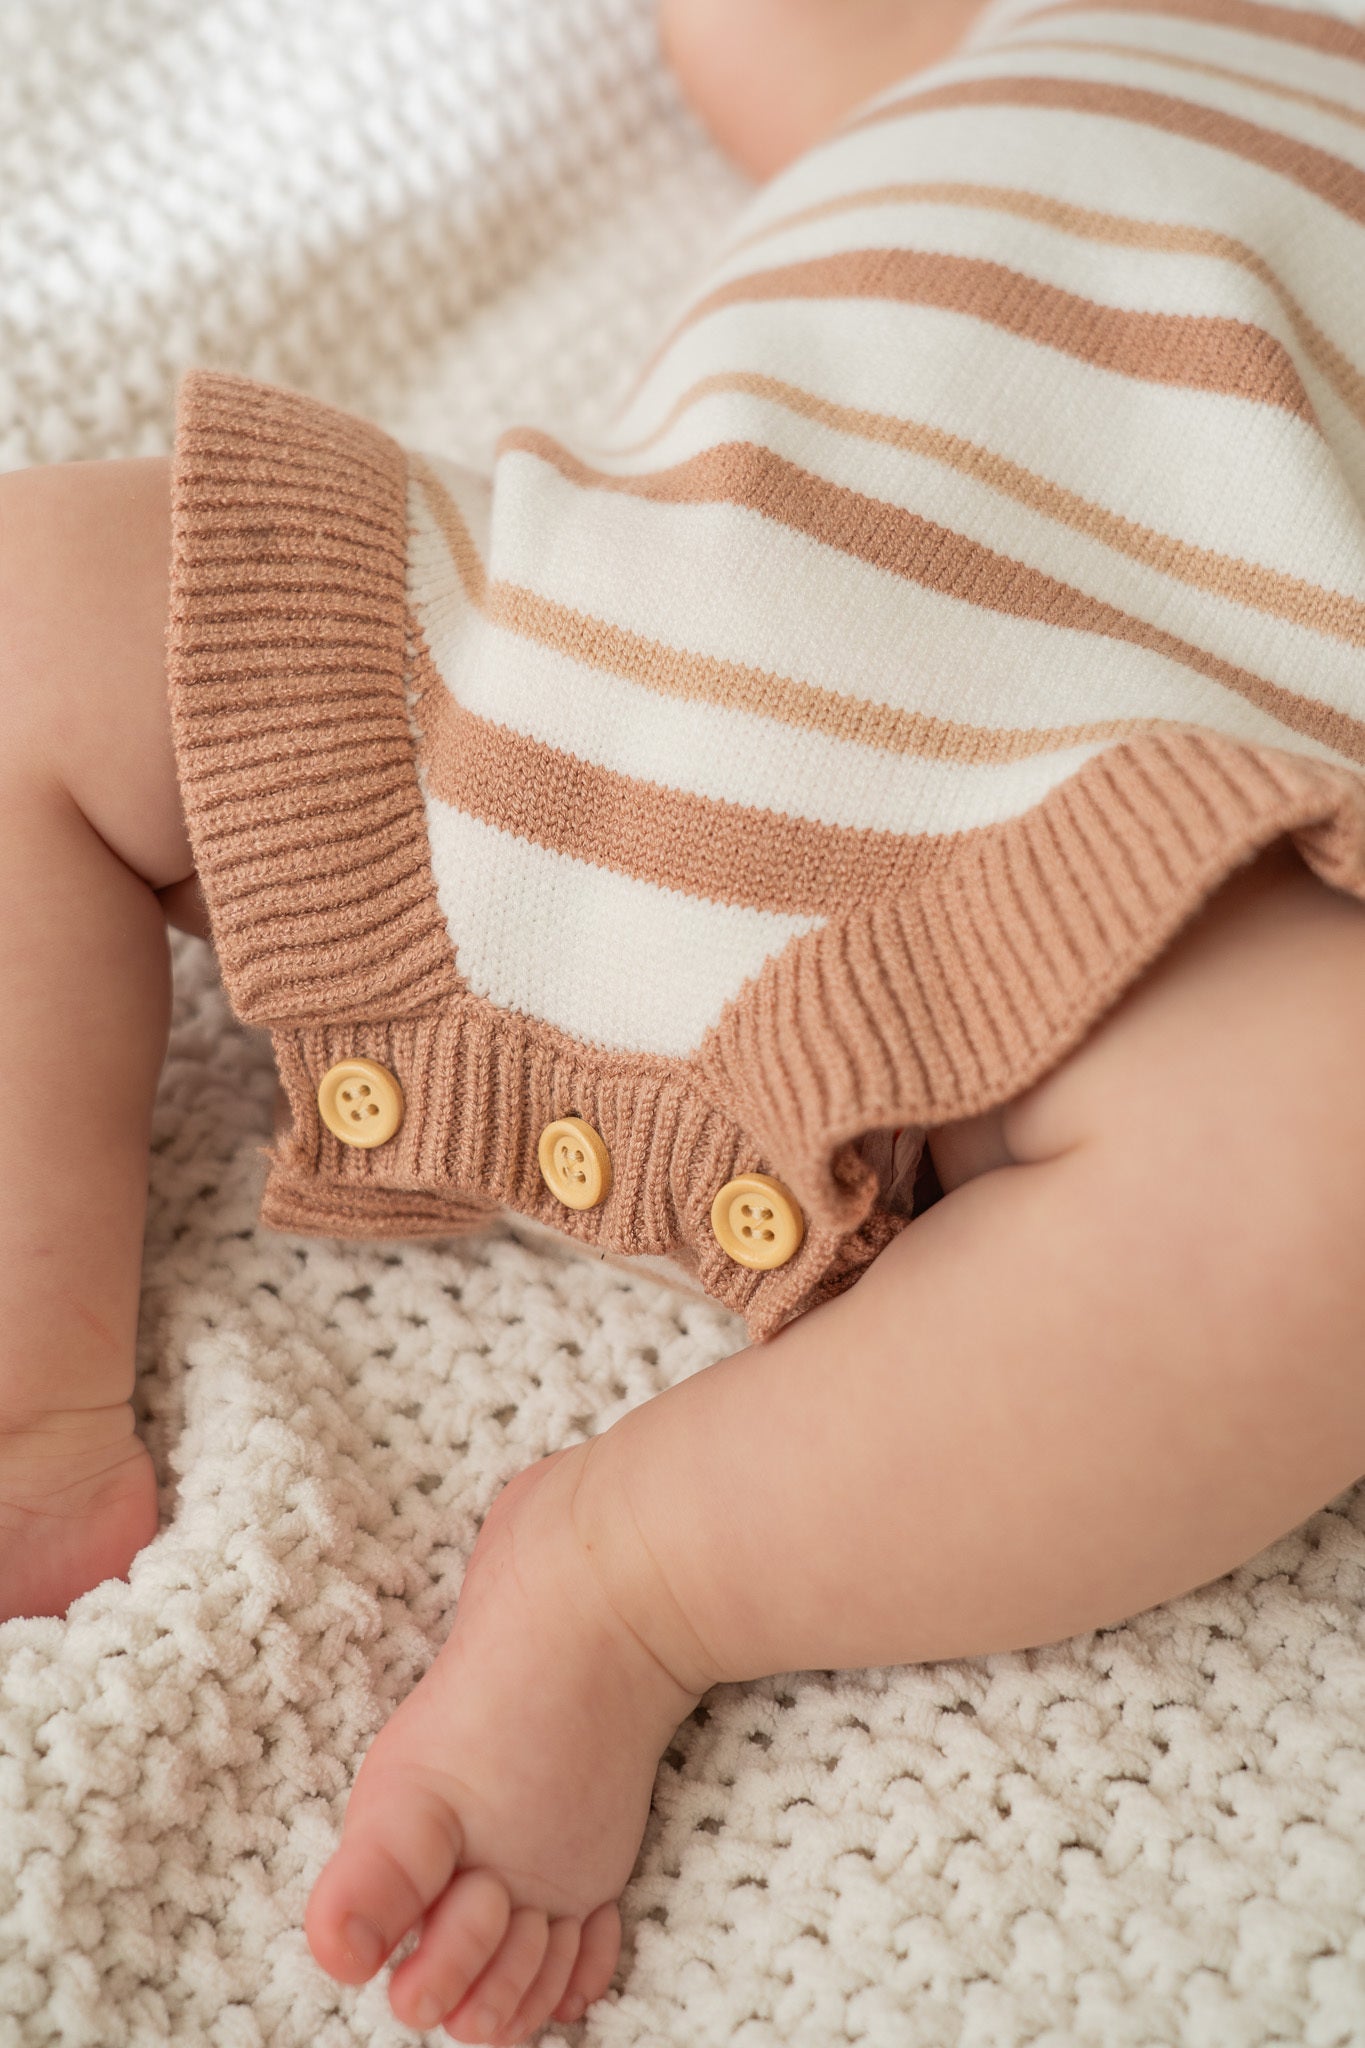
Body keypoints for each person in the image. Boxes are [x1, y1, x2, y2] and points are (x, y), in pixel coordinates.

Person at [3, 0, 1364, 2037]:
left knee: (1318, 1159)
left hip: (1078, 856)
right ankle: (29, 1380)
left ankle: (639, 1569)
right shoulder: (1076, 23)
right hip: (570, 637)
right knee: (32, 609)